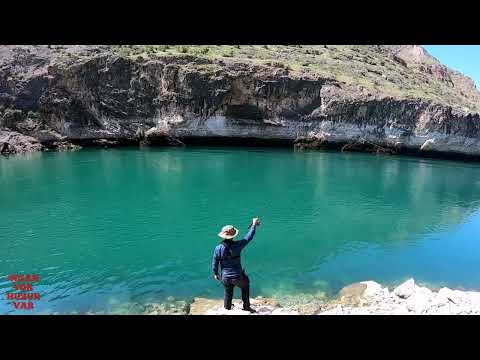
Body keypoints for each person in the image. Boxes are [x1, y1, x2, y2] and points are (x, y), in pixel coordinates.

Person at [212, 218, 261, 313]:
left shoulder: (218, 248)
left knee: (228, 292)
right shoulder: (238, 245)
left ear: (223, 236)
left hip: (225, 277)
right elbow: (248, 237)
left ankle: (227, 308)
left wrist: (215, 273)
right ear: (233, 236)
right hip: (237, 276)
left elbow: (215, 261)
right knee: (245, 286)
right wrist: (254, 225)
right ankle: (246, 307)